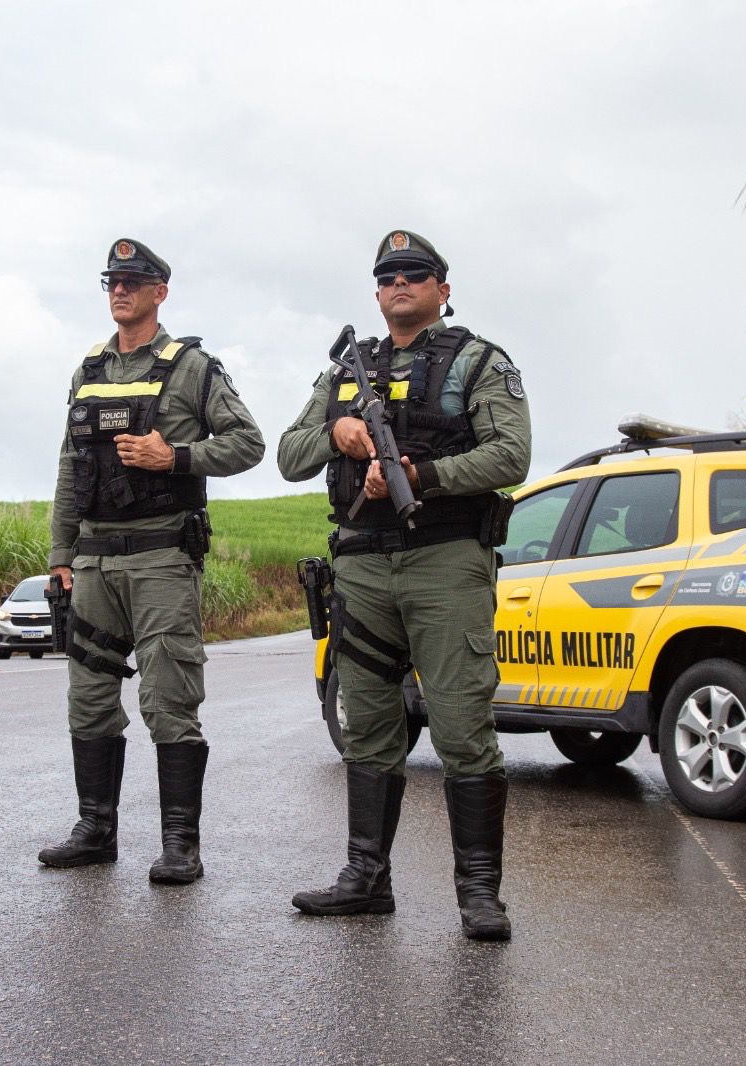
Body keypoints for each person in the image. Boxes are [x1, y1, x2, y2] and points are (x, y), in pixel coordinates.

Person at [277, 231, 531, 940]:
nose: (400, 283)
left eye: (415, 274)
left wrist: (423, 475)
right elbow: (288, 455)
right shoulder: (345, 374)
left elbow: (512, 454)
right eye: (388, 274)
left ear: (443, 289)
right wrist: (342, 431)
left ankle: (480, 894)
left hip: (446, 560)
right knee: (368, 723)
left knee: (459, 726)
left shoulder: (477, 362)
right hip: (361, 563)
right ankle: (366, 879)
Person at [41, 238, 264, 884]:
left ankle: (180, 844)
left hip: (163, 558)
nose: (120, 290)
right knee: (88, 698)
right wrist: (61, 553)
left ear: (159, 292)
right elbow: (68, 466)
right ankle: (95, 829)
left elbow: (248, 442)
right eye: (113, 281)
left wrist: (178, 458)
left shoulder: (192, 368)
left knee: (169, 697)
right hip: (94, 562)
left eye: (134, 281)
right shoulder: (87, 370)